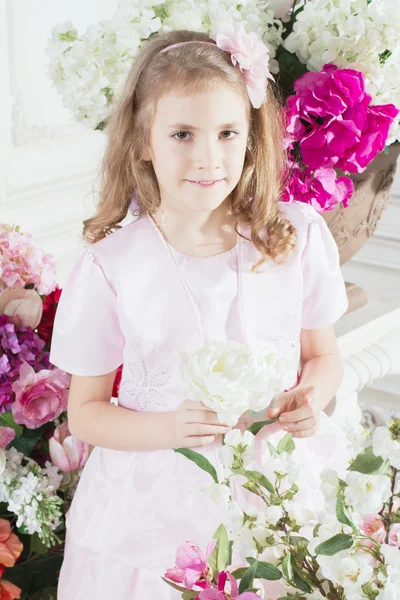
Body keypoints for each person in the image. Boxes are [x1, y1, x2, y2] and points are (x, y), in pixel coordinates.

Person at [49, 25, 352, 600]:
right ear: (143, 140)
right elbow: (85, 413)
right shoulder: (114, 267)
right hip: (155, 502)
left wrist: (309, 395)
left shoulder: (295, 237)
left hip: (281, 483)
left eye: (227, 133)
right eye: (183, 134)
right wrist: (166, 428)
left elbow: (324, 356)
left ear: (250, 136)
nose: (208, 157)